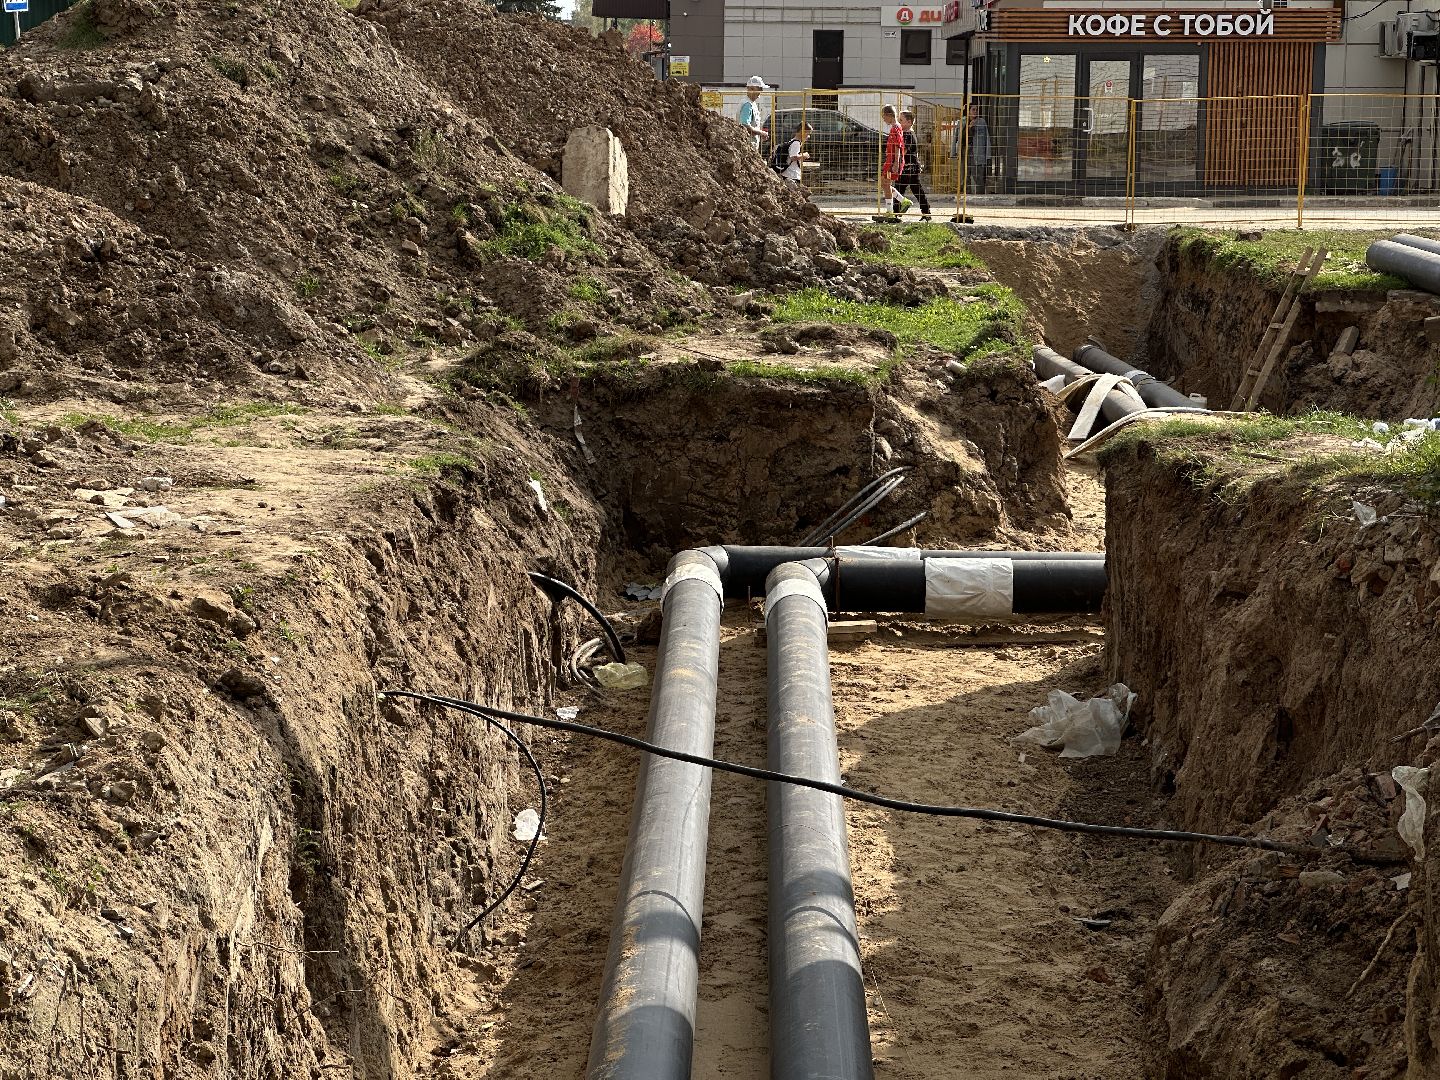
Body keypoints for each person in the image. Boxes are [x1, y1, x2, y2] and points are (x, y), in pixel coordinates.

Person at [894, 109, 931, 220]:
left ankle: (897, 213)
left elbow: (903, 151)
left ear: (909, 122)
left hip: (909, 168)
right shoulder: (905, 134)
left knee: (903, 190)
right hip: (907, 167)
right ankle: (925, 213)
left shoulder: (908, 135)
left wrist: (895, 159)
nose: (899, 122)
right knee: (903, 190)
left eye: (901, 120)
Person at [882, 108, 911, 215]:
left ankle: (890, 211)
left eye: (884, 116)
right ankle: (904, 201)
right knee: (885, 184)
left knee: (886, 184)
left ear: (889, 115)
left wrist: (896, 163)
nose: (884, 119)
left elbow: (898, 146)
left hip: (892, 162)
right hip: (890, 160)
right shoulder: (895, 127)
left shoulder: (895, 128)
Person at [738, 76, 769, 152]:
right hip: (747, 146)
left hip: (750, 146)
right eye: (759, 89)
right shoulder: (747, 104)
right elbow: (745, 126)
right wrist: (761, 133)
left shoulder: (751, 104)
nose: (760, 92)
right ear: (751, 89)